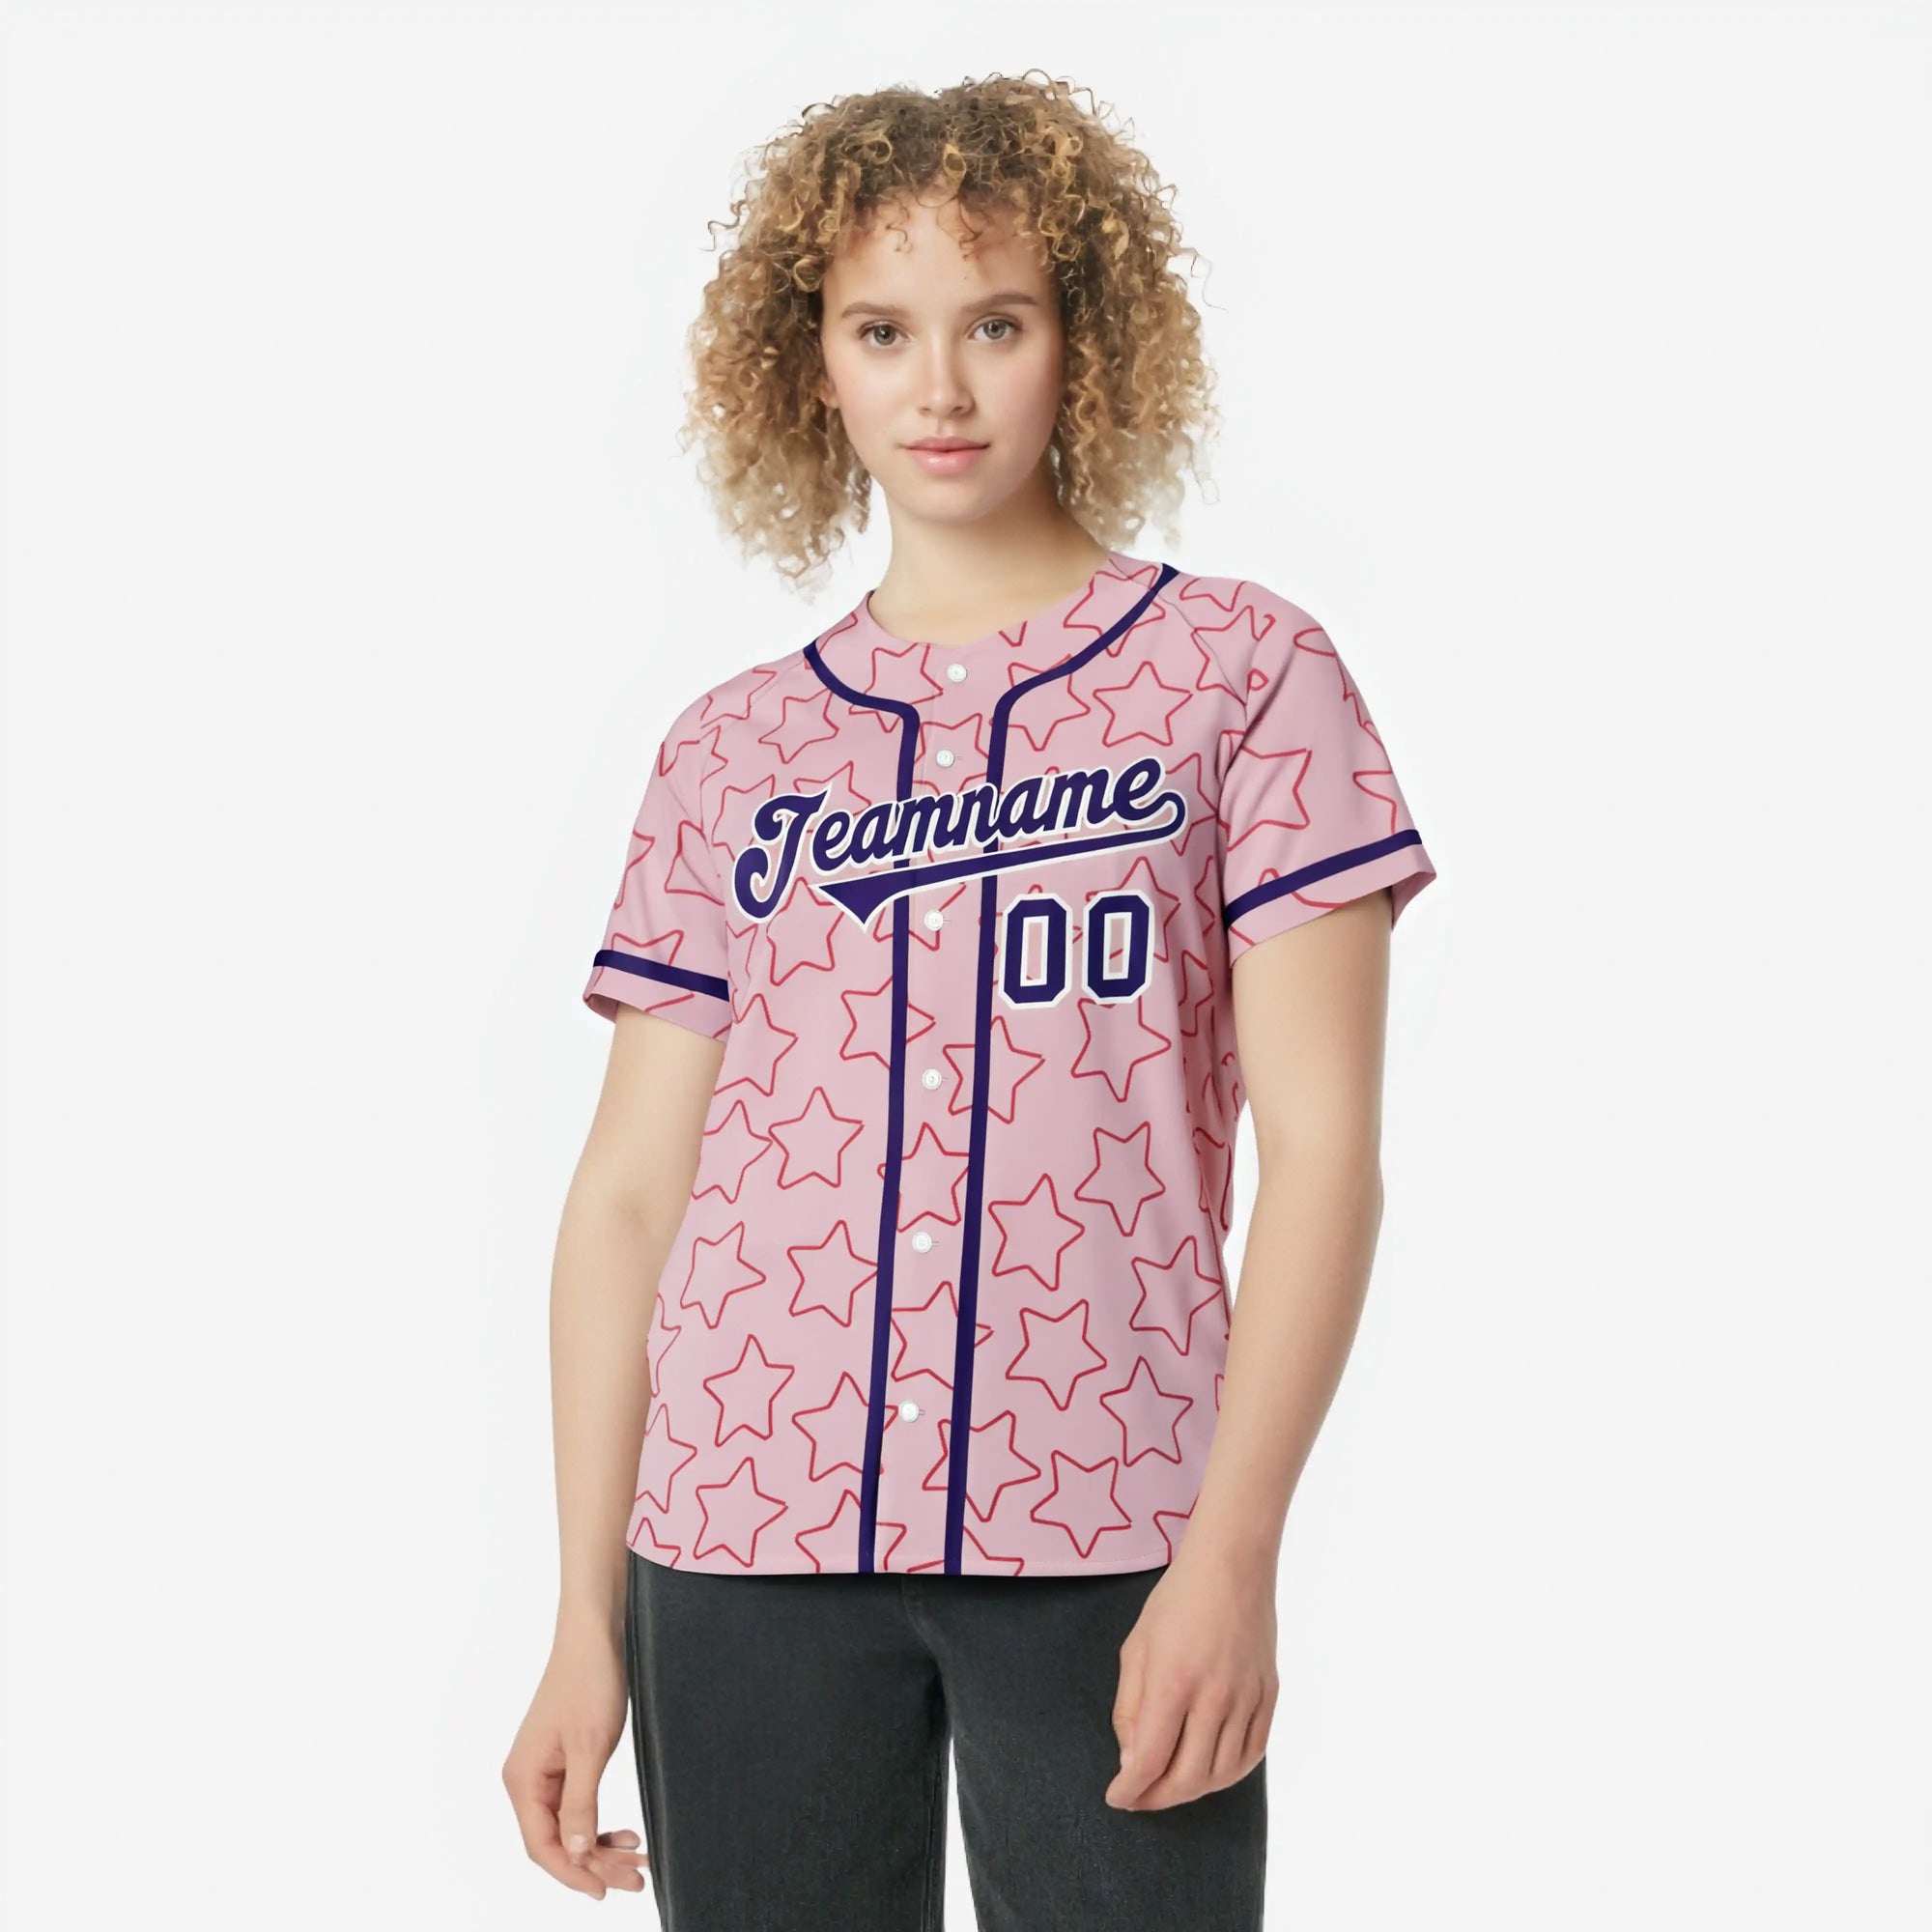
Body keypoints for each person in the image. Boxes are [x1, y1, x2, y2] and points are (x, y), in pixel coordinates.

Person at [502, 70, 1437, 1930]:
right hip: (737, 1538)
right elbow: (627, 1197)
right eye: (884, 331)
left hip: (1115, 1523)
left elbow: (1326, 1159)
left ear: (1084, 340)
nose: (940, 387)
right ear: (814, 364)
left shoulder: (1246, 677)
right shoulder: (733, 749)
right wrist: (582, 1618)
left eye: (996, 323)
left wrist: (1234, 1554)